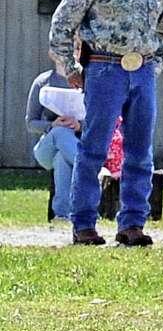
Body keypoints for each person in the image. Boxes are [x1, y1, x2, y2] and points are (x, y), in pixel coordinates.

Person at [48, 0, 163, 247]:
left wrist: (153, 68)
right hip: (104, 67)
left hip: (143, 70)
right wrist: (71, 68)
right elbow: (63, 22)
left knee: (140, 151)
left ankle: (132, 224)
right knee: (94, 148)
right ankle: (83, 224)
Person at [26, 62, 126, 222]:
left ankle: (62, 214)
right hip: (47, 148)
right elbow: (30, 123)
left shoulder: (89, 80)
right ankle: (93, 169)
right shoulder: (43, 81)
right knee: (60, 132)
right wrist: (52, 125)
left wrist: (79, 125)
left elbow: (102, 120)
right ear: (51, 54)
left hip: (76, 145)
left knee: (61, 158)